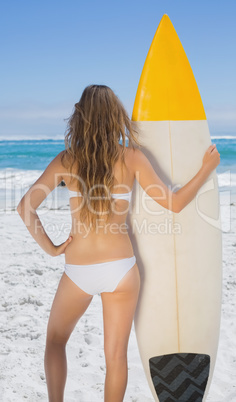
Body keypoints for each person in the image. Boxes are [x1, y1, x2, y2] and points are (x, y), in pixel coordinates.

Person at [17, 84, 220, 402]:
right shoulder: (131, 158)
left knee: (55, 341)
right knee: (115, 357)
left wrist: (52, 247)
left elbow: (25, 207)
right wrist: (205, 170)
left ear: (79, 118)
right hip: (122, 272)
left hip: (78, 271)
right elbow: (175, 203)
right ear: (115, 116)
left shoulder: (66, 161)